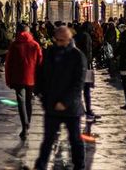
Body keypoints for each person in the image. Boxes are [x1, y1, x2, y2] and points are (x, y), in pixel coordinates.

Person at [34, 26, 86, 170]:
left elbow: (78, 83)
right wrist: (41, 95)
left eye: (62, 40)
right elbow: (40, 74)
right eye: (57, 40)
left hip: (71, 108)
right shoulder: (50, 53)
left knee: (75, 139)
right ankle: (41, 165)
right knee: (48, 139)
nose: (59, 43)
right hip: (51, 105)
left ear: (69, 39)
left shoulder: (77, 56)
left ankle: (79, 166)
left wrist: (65, 102)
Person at [4, 25, 42, 140]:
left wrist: (8, 79)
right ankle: (27, 123)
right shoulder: (35, 45)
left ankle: (24, 125)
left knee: (21, 101)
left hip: (17, 78)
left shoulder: (14, 45)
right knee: (29, 101)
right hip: (31, 78)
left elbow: (8, 64)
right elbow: (40, 63)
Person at [74, 22, 99, 120]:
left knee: (79, 90)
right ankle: (88, 111)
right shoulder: (87, 36)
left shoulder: (77, 35)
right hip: (85, 66)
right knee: (87, 90)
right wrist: (89, 64)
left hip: (77, 65)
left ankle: (79, 109)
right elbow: (88, 52)